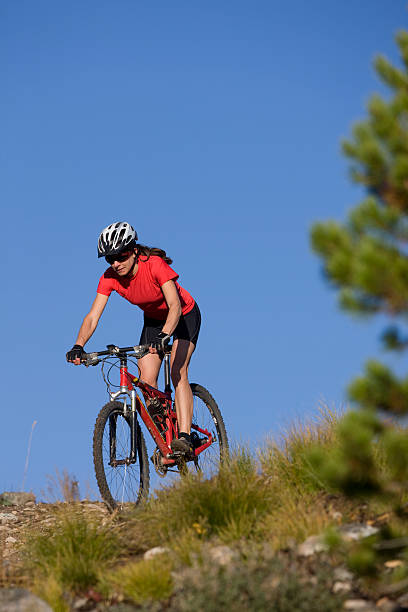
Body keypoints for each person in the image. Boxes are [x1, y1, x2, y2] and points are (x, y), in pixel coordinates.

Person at [66, 221, 201, 454]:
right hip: (153, 320)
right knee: (146, 382)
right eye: (110, 259)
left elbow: (174, 306)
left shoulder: (154, 265)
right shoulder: (110, 278)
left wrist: (165, 335)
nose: (116, 263)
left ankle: (185, 436)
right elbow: (92, 317)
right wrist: (79, 345)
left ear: (134, 251)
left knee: (177, 370)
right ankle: (166, 439)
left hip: (182, 315)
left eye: (121, 256)